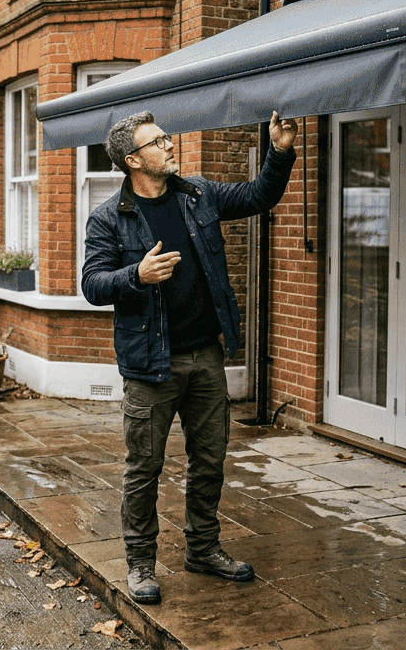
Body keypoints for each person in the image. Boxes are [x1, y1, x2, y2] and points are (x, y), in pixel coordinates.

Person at [81, 110, 297, 604]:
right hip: (150, 365)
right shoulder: (108, 217)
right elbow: (92, 284)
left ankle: (202, 548)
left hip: (205, 357)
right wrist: (136, 274)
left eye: (166, 137)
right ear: (133, 159)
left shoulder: (196, 194)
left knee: (210, 461)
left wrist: (278, 151)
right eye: (158, 141)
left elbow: (258, 195)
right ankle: (139, 564)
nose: (170, 144)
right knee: (144, 468)